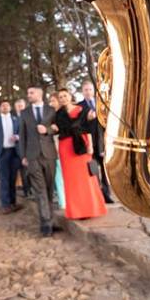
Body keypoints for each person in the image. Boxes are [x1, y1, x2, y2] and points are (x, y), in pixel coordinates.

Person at [54, 88, 106, 221]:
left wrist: (90, 146)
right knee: (71, 180)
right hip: (66, 148)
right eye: (60, 97)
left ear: (70, 96)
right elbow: (57, 130)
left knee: (87, 178)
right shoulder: (58, 114)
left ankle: (92, 209)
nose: (63, 99)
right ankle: (76, 212)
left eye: (65, 96)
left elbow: (88, 128)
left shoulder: (81, 110)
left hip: (82, 145)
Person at [18, 86, 59, 235]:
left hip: (49, 155)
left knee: (49, 189)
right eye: (28, 93)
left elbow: (57, 128)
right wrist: (23, 156)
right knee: (40, 189)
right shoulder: (24, 112)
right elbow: (22, 135)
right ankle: (46, 225)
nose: (28, 95)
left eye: (31, 93)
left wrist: (47, 130)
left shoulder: (51, 110)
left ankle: (50, 220)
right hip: (32, 155)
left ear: (40, 94)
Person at [78, 80, 112, 203]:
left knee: (104, 170)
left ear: (94, 90)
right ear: (82, 91)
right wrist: (87, 119)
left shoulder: (101, 103)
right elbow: (78, 125)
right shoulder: (79, 106)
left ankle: (107, 195)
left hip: (102, 142)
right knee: (93, 171)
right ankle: (97, 195)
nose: (88, 92)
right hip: (89, 144)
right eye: (85, 90)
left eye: (90, 89)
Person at [0, 100, 22, 213]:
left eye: (7, 105)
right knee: (4, 179)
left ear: (10, 107)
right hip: (1, 153)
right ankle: (5, 205)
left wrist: (18, 137)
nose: (5, 107)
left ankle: (13, 203)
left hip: (14, 152)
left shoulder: (16, 119)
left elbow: (21, 133)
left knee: (12, 178)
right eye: (2, 105)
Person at [13, 97, 31, 198]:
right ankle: (26, 190)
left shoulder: (28, 118)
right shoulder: (14, 118)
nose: (19, 108)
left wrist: (18, 136)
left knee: (29, 170)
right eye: (18, 106)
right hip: (16, 149)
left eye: (21, 106)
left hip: (28, 148)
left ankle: (30, 190)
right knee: (23, 170)